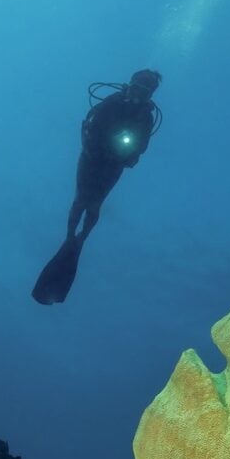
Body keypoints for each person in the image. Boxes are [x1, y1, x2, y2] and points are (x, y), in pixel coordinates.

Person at [33, 70, 162, 304]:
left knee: (95, 203)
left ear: (150, 94)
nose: (139, 94)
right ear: (130, 84)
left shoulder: (146, 117)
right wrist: (92, 146)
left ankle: (82, 237)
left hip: (114, 164)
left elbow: (142, 146)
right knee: (81, 199)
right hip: (91, 157)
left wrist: (130, 155)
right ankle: (71, 235)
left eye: (146, 91)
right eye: (138, 87)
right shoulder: (112, 102)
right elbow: (88, 124)